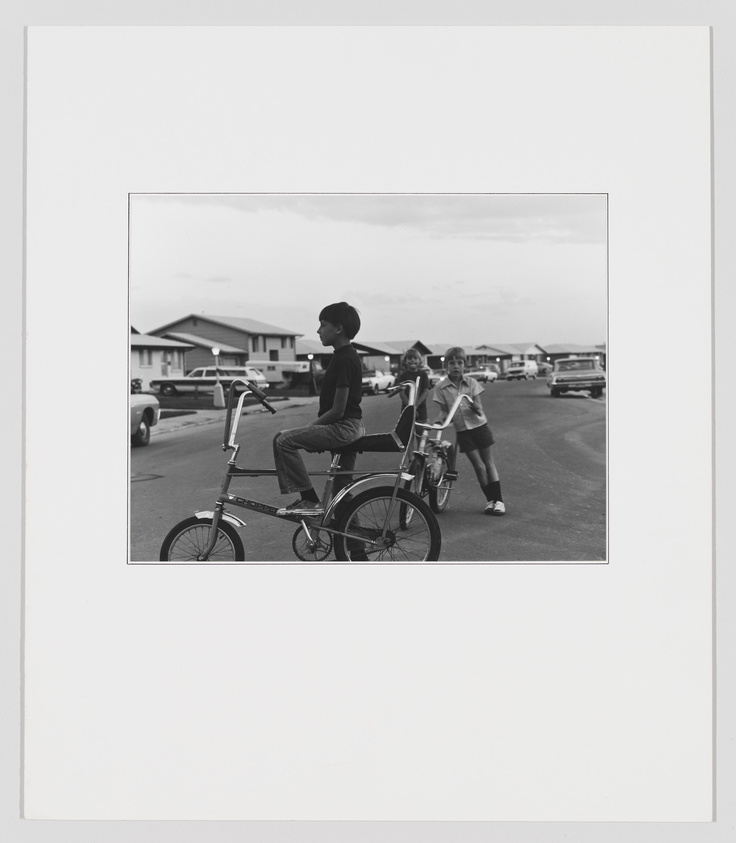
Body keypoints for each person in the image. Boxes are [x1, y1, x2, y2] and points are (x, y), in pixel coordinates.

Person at [273, 302, 364, 516]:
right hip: (350, 428)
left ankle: (308, 499)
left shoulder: (344, 360)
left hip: (343, 427)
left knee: (283, 440)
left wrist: (310, 428)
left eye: (323, 325)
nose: (318, 331)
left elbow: (338, 410)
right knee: (342, 490)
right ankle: (355, 546)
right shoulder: (345, 356)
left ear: (338, 328)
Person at [432, 346, 506, 515]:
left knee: (488, 463)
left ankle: (499, 501)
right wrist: (438, 421)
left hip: (480, 427)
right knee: (479, 467)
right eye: (452, 363)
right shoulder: (441, 387)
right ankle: (490, 500)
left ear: (465, 365)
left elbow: (479, 408)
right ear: (446, 366)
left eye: (459, 363)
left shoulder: (472, 383)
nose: (455, 366)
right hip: (463, 431)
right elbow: (444, 411)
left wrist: (474, 407)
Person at [390, 348, 430, 424]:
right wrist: (410, 407)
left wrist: (416, 405)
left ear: (419, 361)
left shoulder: (423, 375)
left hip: (421, 408)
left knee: (420, 430)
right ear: (405, 361)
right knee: (406, 430)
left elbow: (426, 390)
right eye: (409, 358)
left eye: (415, 358)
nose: (412, 360)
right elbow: (402, 393)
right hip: (406, 408)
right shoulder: (403, 376)